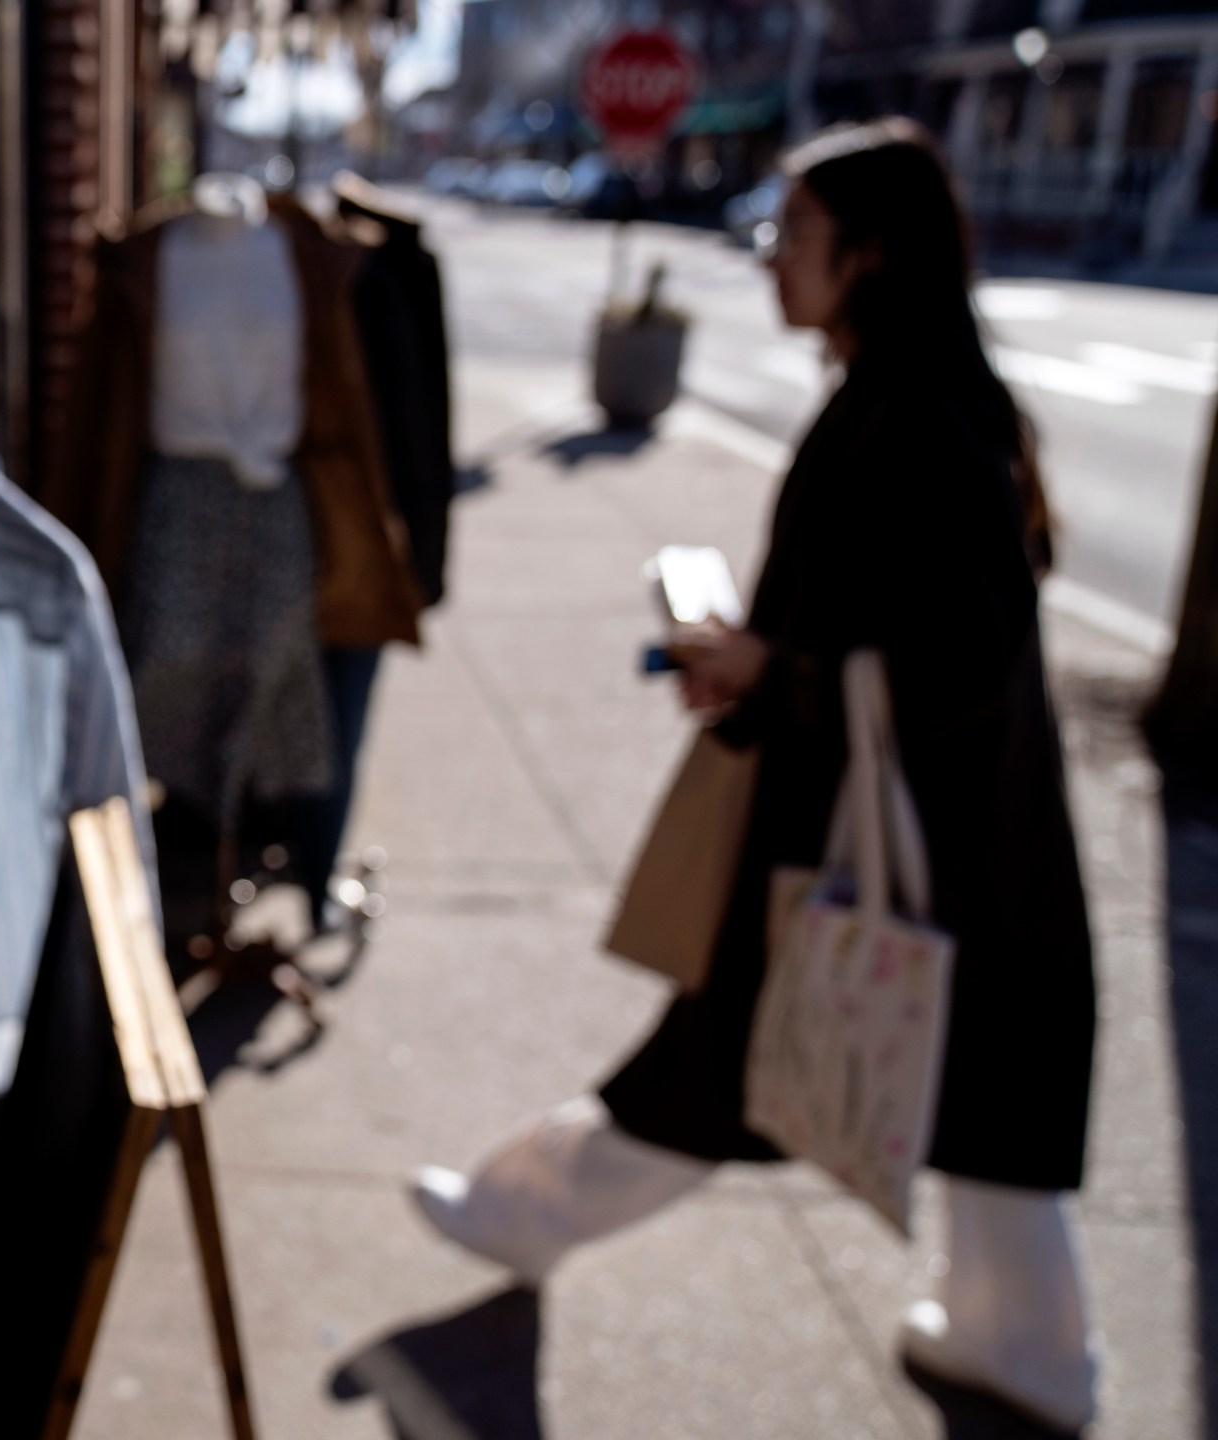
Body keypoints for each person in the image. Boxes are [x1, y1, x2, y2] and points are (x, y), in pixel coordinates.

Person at [410, 119, 1100, 1433]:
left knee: (723, 1068)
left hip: (880, 840)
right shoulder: (920, 395)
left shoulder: (920, 416)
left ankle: (517, 1212)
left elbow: (952, 653)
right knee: (985, 1104)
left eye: (795, 235)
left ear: (871, 254)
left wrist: (766, 665)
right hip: (954, 847)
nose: (770, 258)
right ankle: (1033, 1351)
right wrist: (764, 661)